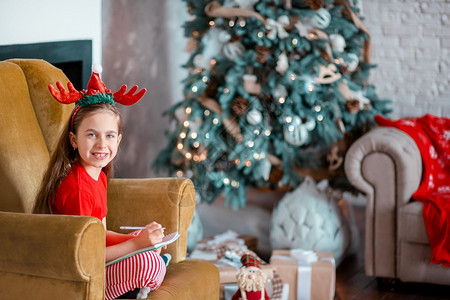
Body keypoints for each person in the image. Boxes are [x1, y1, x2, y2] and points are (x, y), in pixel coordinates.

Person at [33, 68, 166, 300]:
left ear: (119, 139)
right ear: (74, 140)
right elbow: (88, 255)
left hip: (94, 257)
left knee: (141, 237)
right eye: (91, 135)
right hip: (79, 273)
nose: (102, 144)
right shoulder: (78, 190)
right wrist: (138, 247)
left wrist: (139, 239)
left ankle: (146, 265)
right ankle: (138, 285)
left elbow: (100, 234)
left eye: (110, 135)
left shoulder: (99, 176)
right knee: (147, 262)